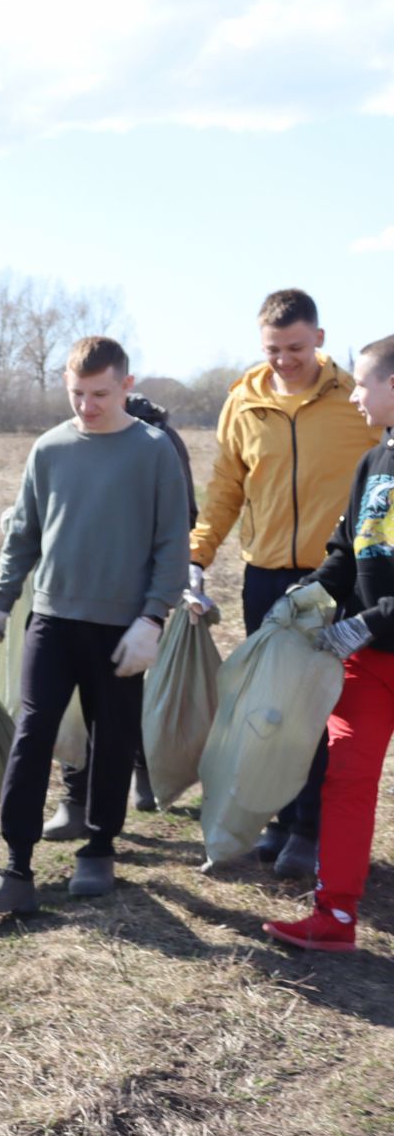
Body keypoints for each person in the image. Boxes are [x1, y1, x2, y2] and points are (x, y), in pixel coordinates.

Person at [0, 336, 190, 913]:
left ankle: (100, 847)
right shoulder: (49, 449)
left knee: (113, 736)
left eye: (100, 394)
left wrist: (153, 618)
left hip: (121, 627)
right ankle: (16, 867)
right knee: (32, 733)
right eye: (77, 394)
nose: (87, 406)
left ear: (126, 386)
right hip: (53, 619)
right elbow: (24, 536)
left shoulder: (153, 449)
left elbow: (171, 544)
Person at [188, 289, 378, 876]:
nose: (284, 359)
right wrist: (197, 554)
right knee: (269, 708)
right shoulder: (242, 402)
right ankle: (278, 817)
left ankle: (311, 829)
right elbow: (225, 486)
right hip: (265, 574)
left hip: (335, 577)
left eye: (295, 346)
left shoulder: (358, 398)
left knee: (318, 705)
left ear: (319, 339)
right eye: (273, 348)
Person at [264, 333, 394, 952]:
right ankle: (335, 916)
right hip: (369, 664)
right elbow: (344, 556)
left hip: (371, 635)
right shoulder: (373, 463)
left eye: (364, 383)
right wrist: (302, 602)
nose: (356, 396)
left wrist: (370, 620)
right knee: (346, 779)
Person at [43, 388, 201, 835]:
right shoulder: (76, 436)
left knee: (119, 694)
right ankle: (75, 799)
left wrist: (156, 599)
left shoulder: (160, 442)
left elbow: (181, 519)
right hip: (73, 597)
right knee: (75, 701)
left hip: (135, 601)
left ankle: (142, 771)